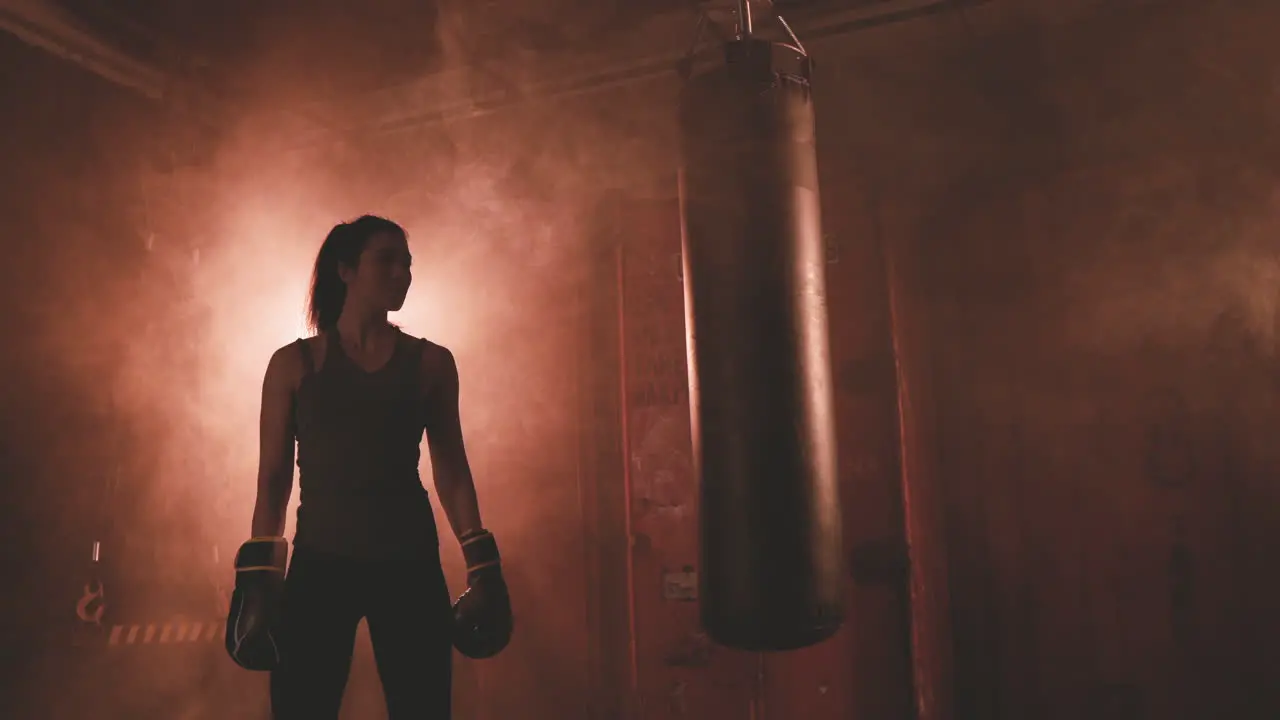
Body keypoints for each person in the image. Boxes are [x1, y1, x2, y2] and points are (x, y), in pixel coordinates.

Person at [223, 215, 511, 719]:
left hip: (409, 563)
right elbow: (272, 480)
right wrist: (258, 582)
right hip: (321, 560)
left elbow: (452, 467)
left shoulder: (431, 363)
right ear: (345, 270)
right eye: (387, 260)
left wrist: (482, 563)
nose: (402, 273)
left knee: (421, 709)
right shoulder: (293, 364)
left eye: (408, 264)